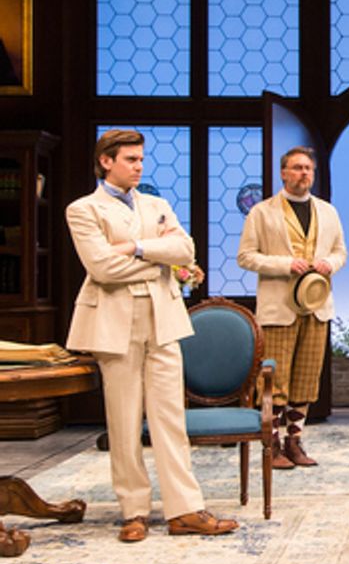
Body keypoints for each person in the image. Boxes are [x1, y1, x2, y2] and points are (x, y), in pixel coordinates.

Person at [65, 129, 237, 542]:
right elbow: (103, 270)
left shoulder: (157, 205)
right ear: (106, 161)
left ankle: (184, 509)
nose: (139, 166)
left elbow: (186, 252)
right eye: (130, 159)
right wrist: (156, 258)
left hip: (162, 320)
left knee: (170, 420)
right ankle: (134, 512)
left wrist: (134, 248)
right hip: (114, 322)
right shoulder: (84, 209)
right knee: (123, 422)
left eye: (141, 159)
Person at [237, 146, 348, 469]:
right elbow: (246, 256)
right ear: (283, 173)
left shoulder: (328, 212)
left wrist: (329, 263)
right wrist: (285, 264)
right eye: (297, 168)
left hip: (316, 306)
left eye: (308, 169)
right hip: (278, 309)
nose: (304, 174)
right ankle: (271, 443)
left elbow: (341, 251)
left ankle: (294, 440)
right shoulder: (262, 212)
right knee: (275, 380)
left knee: (305, 379)